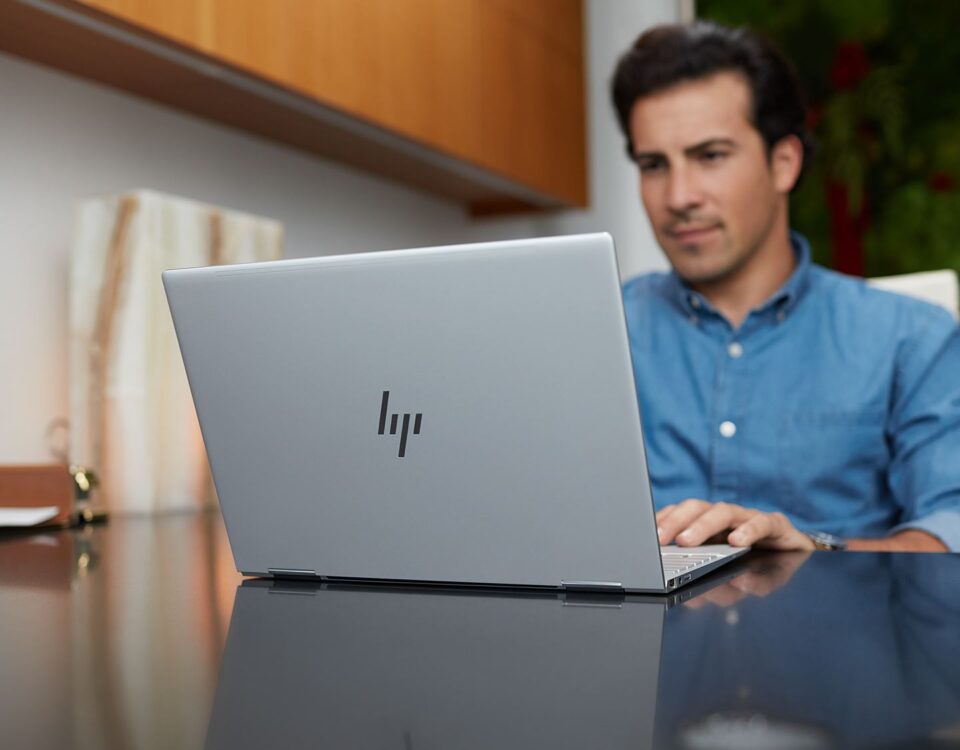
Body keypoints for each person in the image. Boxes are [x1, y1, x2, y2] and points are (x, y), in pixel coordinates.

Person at [611, 21, 960, 552]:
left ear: (784, 163)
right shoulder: (597, 331)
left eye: (711, 156)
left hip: (837, 628)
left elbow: (951, 526)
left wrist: (818, 554)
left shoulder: (913, 339)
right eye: (654, 164)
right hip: (635, 637)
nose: (678, 195)